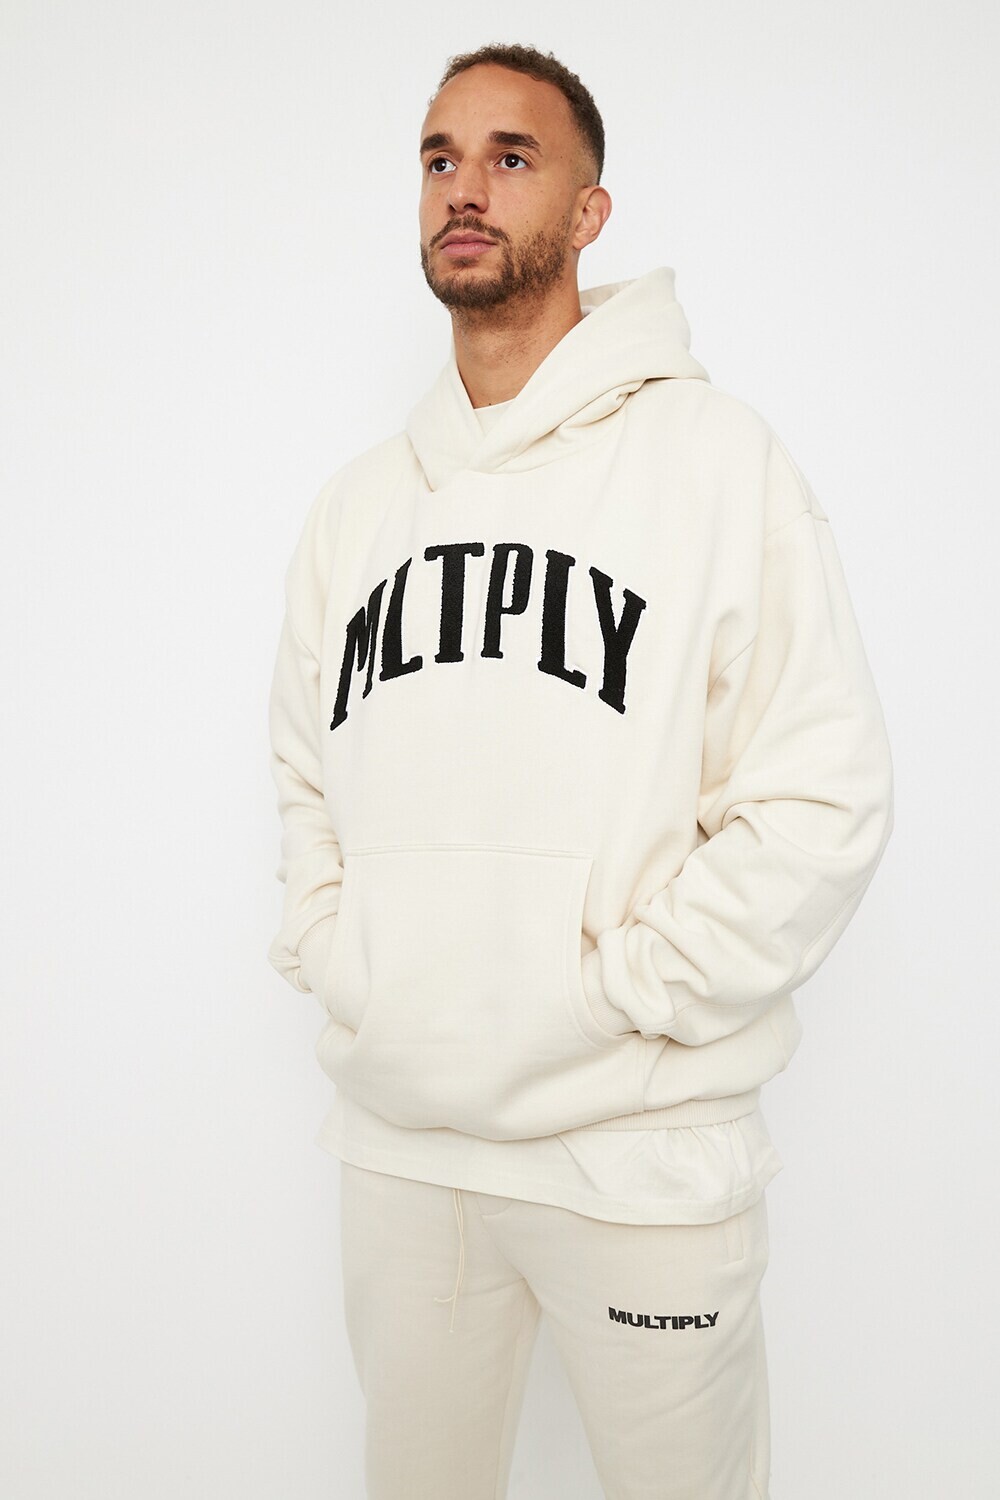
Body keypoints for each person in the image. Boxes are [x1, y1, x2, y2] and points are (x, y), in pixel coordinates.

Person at [266, 42, 894, 1500]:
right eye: (439, 158)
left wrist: (616, 995)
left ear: (590, 210)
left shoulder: (718, 462)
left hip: (641, 1163)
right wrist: (343, 954)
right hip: (406, 1154)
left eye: (511, 156)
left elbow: (823, 794)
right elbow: (303, 774)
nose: (464, 188)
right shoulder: (357, 509)